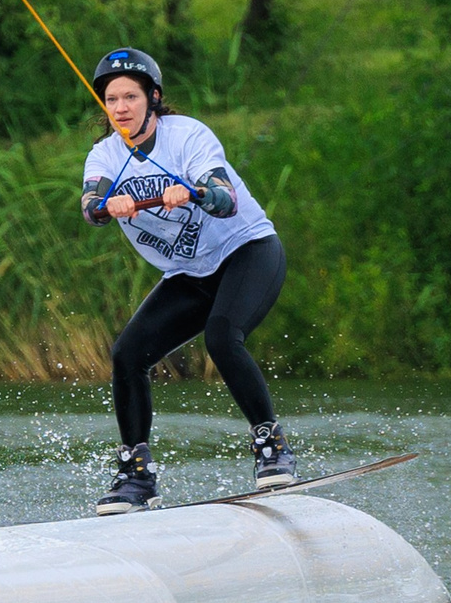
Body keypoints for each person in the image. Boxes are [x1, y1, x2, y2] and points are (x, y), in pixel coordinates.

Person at [80, 47, 292, 515]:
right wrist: (103, 206)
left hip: (247, 252)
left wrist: (193, 191)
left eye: (131, 97)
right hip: (190, 275)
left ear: (153, 98)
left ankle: (271, 447)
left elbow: (224, 198)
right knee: (127, 354)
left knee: (222, 335)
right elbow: (90, 204)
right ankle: (136, 476)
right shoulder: (104, 155)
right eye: (112, 99)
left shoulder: (188, 136)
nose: (120, 108)